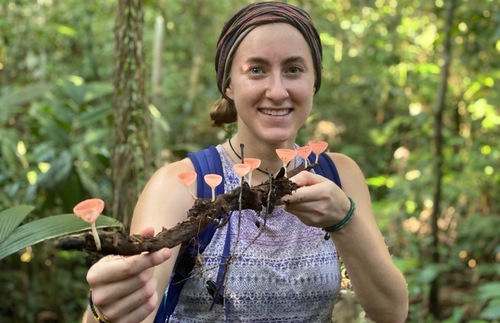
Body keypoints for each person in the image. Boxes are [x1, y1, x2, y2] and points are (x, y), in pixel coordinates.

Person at [83, 2, 409, 322]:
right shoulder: (183, 183)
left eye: (294, 69)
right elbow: (136, 305)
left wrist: (344, 220)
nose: (278, 91)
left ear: (314, 82)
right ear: (228, 85)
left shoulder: (339, 174)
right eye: (256, 70)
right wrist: (105, 312)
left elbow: (391, 312)